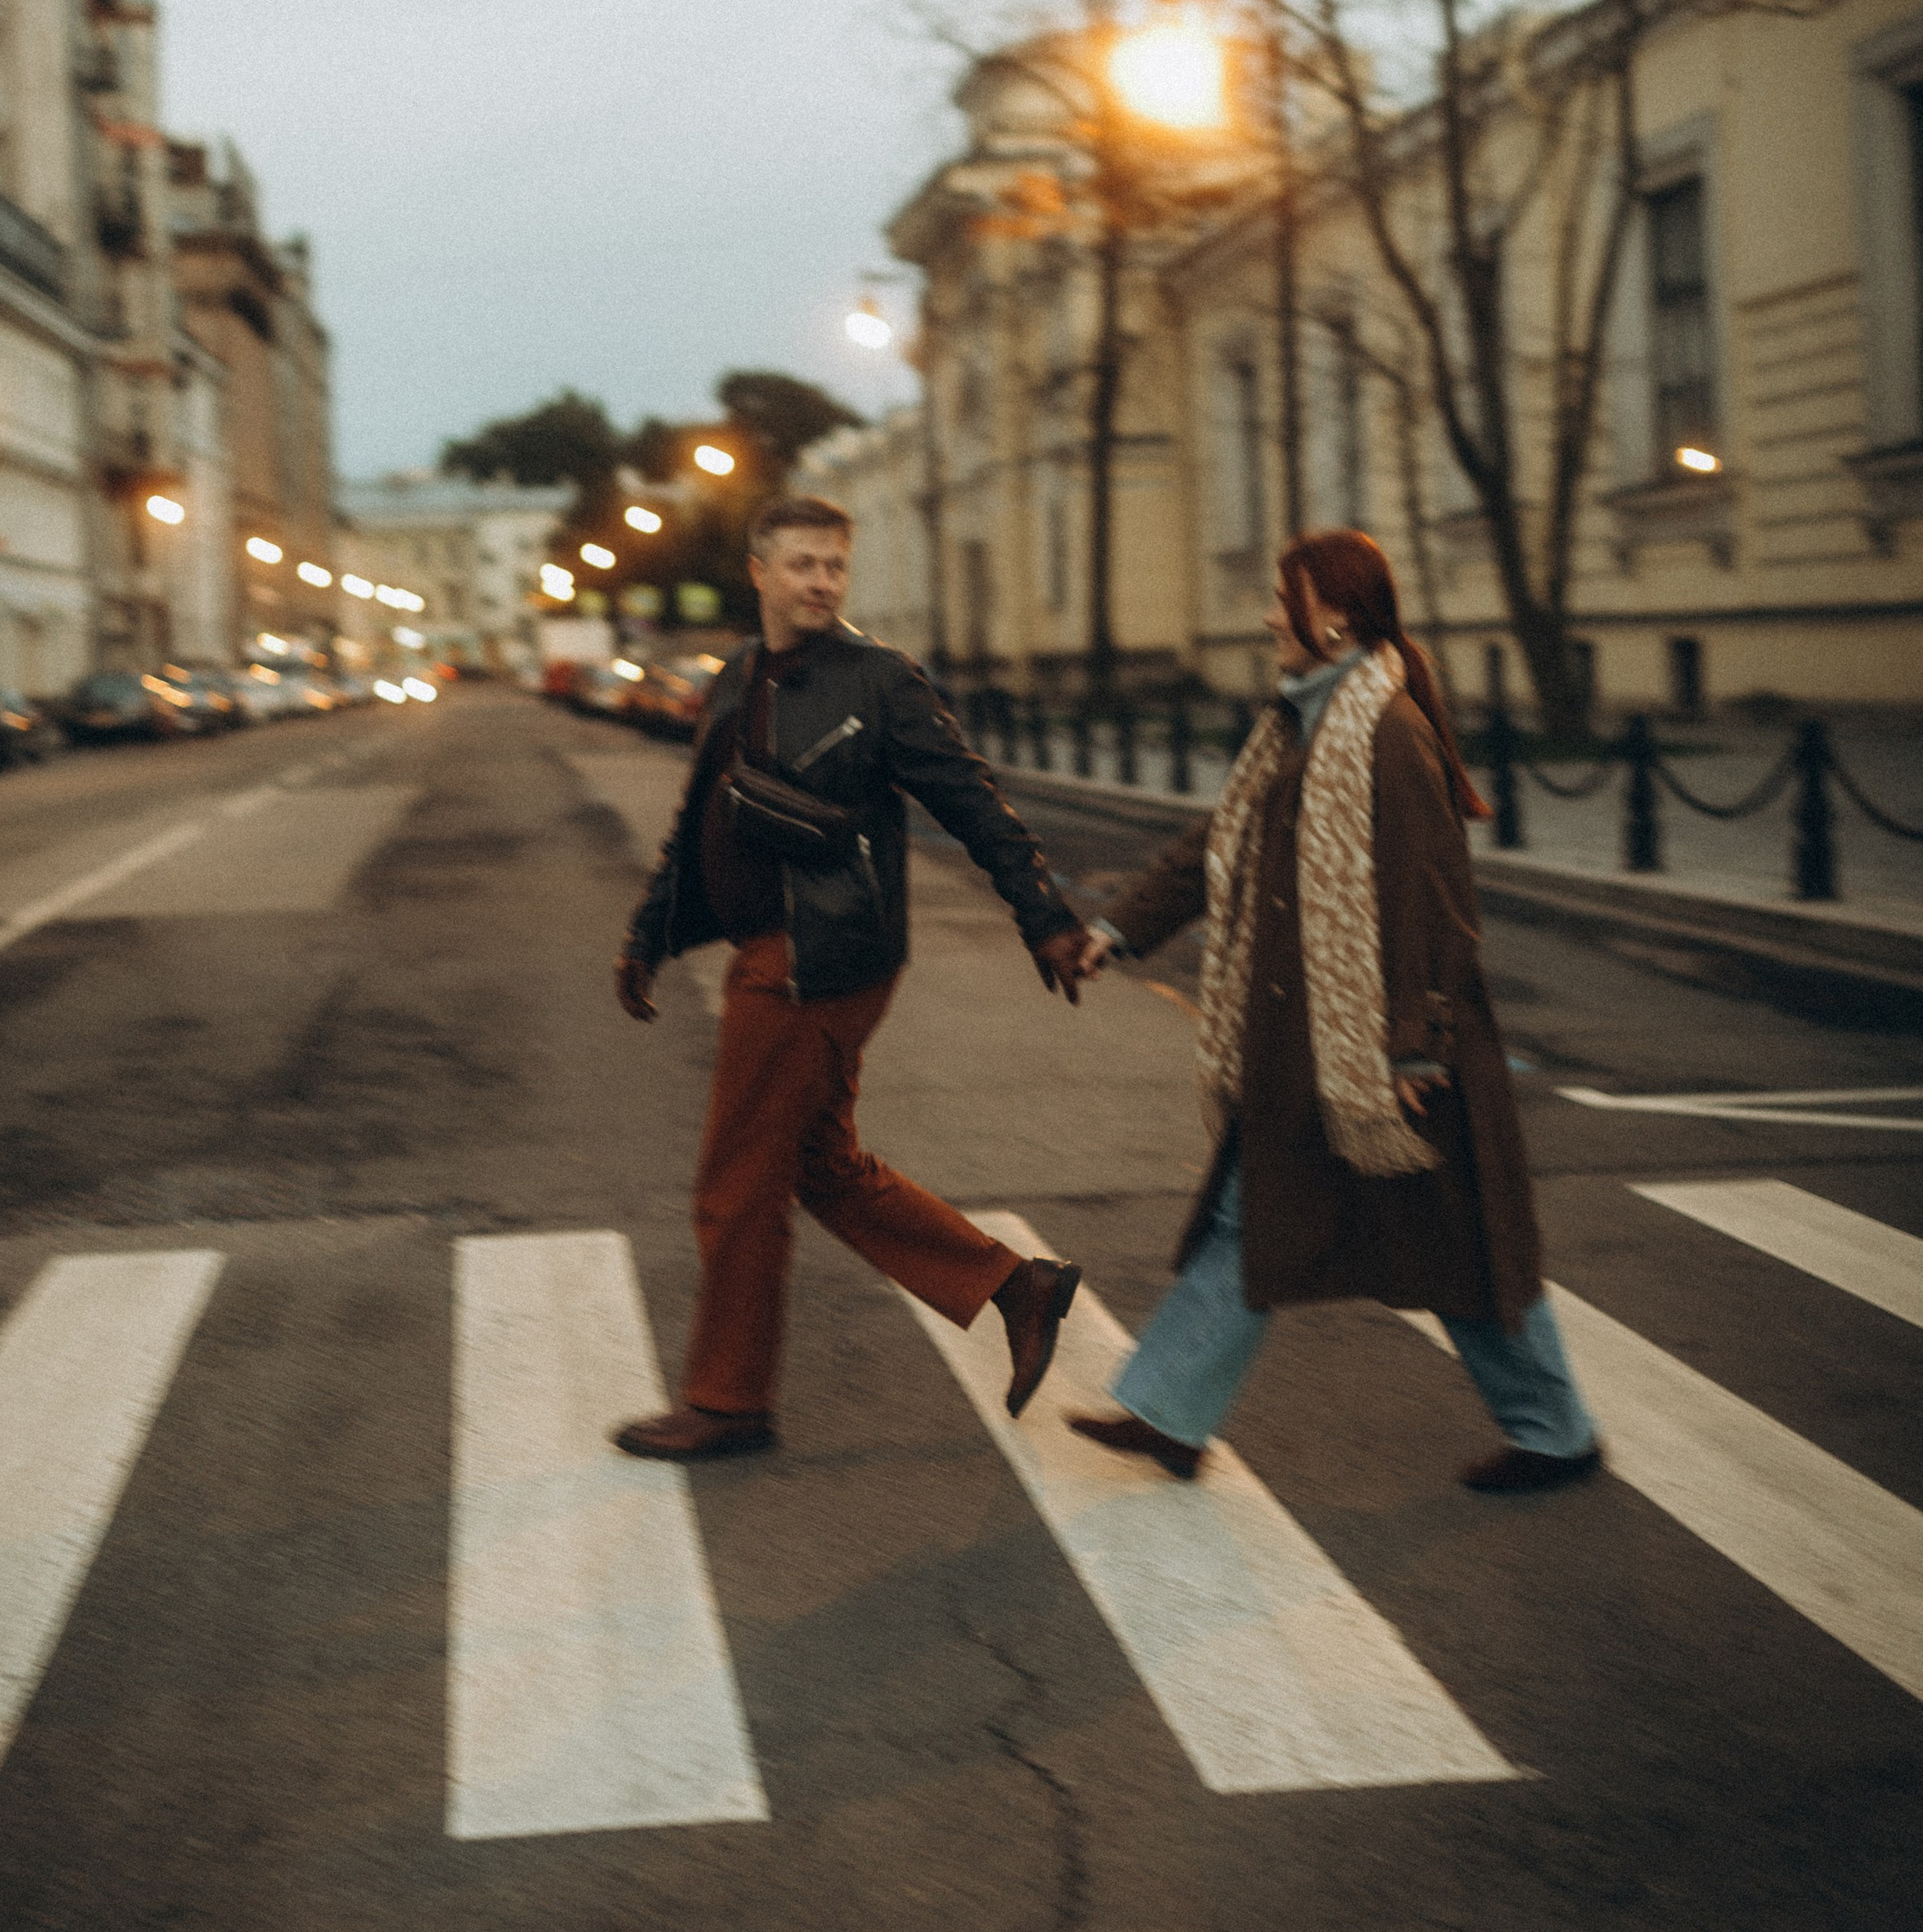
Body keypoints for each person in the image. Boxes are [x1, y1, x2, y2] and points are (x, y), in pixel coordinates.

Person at [1067, 528, 1603, 1496]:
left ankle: (1557, 1430)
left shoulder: (1385, 732)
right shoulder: (1295, 724)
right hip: (1302, 1047)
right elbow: (1214, 845)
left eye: (1286, 597)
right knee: (1250, 1216)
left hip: (1384, 1054)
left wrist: (1415, 1051)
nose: (1270, 615)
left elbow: (1432, 903)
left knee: (1460, 1249)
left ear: (1336, 615)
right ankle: (1168, 1412)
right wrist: (1120, 929)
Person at [610, 492, 1088, 1460]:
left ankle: (728, 1398)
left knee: (738, 1179)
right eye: (802, 564)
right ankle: (1014, 1287)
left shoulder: (879, 682)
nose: (821, 581)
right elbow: (694, 822)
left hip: (822, 954)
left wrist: (1041, 912)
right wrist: (645, 938)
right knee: (819, 1163)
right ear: (759, 572)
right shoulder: (737, 675)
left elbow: (972, 803)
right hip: (769, 944)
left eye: (834, 565)